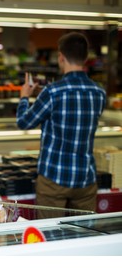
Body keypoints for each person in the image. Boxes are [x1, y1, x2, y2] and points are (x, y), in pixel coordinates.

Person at [16, 32, 106, 218]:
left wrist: (25, 96)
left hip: (53, 177)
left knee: (50, 234)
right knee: (83, 233)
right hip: (85, 178)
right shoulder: (99, 92)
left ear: (61, 57)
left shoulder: (52, 92)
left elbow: (24, 122)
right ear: (86, 57)